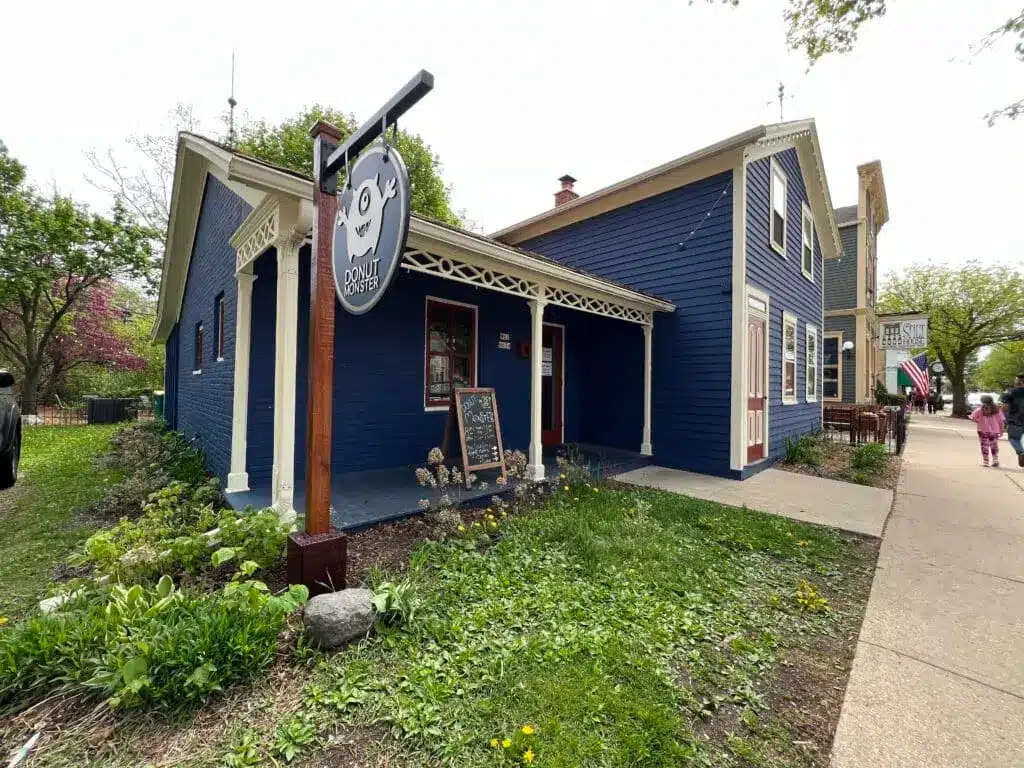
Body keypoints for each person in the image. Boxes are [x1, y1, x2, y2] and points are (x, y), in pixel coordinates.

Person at [970, 395, 1006, 467]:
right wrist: (1002, 430)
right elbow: (1001, 421)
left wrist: (979, 421)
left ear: (982, 401)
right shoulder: (997, 410)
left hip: (982, 430)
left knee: (984, 445)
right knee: (994, 445)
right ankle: (995, 460)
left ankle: (986, 461)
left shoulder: (979, 410)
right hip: (994, 431)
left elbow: (973, 418)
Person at [1001, 372, 1024, 468]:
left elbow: (1005, 406)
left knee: (1013, 438)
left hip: (1015, 420)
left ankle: (1021, 452)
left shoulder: (1012, 392)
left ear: (1019, 380)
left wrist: (1003, 419)